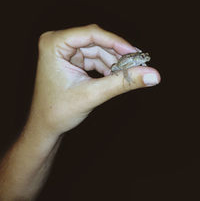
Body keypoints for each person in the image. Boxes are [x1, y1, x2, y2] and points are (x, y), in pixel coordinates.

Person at [0, 24, 161, 200]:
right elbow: (122, 66)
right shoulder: (131, 60)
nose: (145, 58)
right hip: (121, 66)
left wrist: (44, 128)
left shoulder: (138, 59)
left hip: (124, 62)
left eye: (144, 57)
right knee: (119, 69)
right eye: (143, 56)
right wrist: (126, 76)